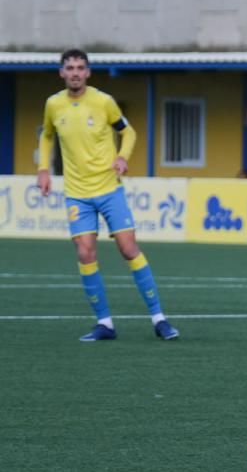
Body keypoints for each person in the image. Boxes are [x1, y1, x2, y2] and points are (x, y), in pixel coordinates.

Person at [37, 49, 179, 342]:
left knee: (128, 249)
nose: (75, 72)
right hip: (77, 193)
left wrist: (123, 157)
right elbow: (47, 134)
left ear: (88, 72)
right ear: (61, 73)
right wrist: (43, 168)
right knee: (85, 252)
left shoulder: (103, 102)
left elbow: (129, 132)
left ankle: (159, 318)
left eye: (80, 67)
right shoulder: (53, 105)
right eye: (70, 68)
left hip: (108, 188)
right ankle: (105, 324)